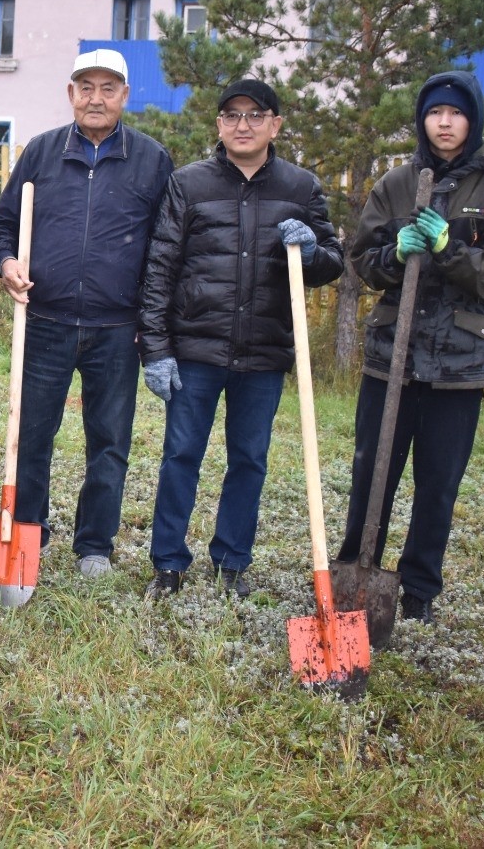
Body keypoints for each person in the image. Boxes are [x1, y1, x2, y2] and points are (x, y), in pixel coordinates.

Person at [334, 71, 484, 623]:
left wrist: (449, 249)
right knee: (371, 471)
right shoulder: (396, 185)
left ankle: (418, 589)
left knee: (438, 483)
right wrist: (396, 253)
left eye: (456, 113)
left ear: (473, 120)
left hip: (460, 363)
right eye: (434, 113)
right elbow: (363, 264)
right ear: (422, 120)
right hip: (391, 355)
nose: (444, 123)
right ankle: (357, 570)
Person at [137, 79, 342, 599]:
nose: (243, 125)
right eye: (232, 116)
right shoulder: (190, 183)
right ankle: (168, 562)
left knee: (249, 460)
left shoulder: (300, 188)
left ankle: (232, 563)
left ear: (275, 124)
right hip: (196, 350)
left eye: (255, 116)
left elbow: (330, 263)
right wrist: (156, 349)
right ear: (219, 125)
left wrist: (313, 249)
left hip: (263, 352)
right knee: (182, 453)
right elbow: (160, 266)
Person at [0, 48, 174, 577]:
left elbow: (166, 247)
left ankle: (95, 546)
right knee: (31, 435)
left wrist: (151, 322)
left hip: (117, 330)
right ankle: (28, 533)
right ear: (71, 94)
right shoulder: (42, 154)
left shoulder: (151, 160)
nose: (96, 98)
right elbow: (2, 225)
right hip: (43, 321)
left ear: (124, 96)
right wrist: (6, 263)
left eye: (107, 88)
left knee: (109, 442)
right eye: (85, 87)